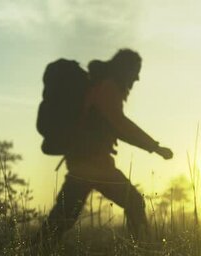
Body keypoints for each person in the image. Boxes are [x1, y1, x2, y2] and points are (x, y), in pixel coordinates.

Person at [37, 49, 173, 245]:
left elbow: (114, 125)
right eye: (136, 71)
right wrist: (155, 147)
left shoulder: (102, 85)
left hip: (84, 163)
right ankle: (144, 252)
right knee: (134, 203)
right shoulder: (108, 88)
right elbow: (120, 125)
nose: (137, 77)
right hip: (94, 165)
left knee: (62, 220)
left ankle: (32, 254)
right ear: (125, 69)